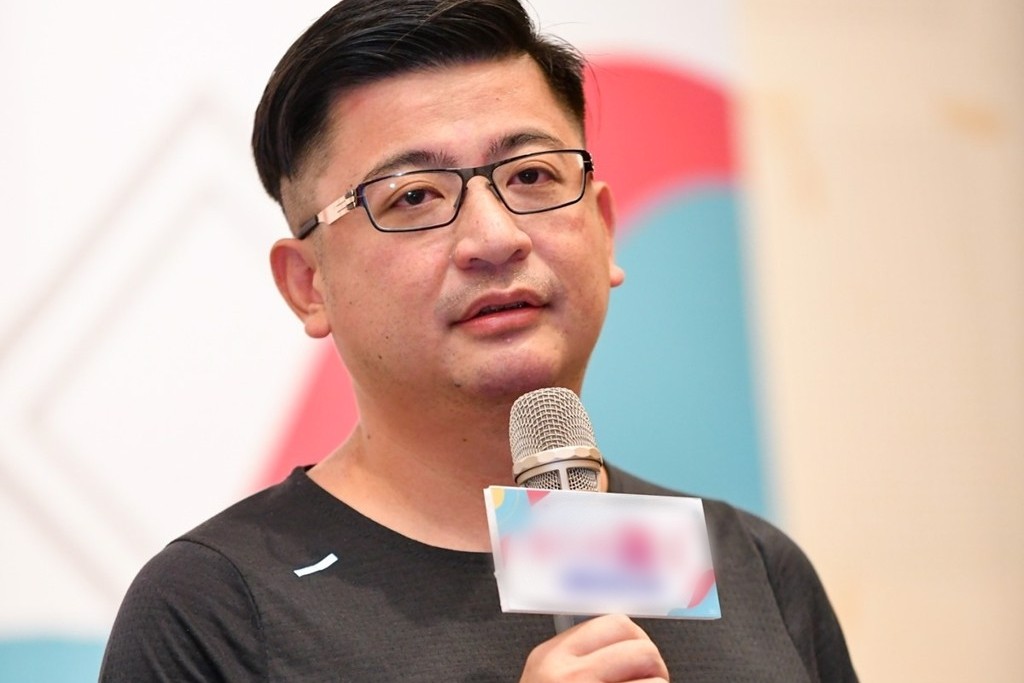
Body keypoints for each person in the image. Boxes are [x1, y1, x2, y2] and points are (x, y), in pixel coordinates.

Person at [100, 0, 858, 680]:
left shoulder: (752, 567)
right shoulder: (215, 609)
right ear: (308, 284)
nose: (495, 238)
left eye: (531, 177)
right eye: (414, 195)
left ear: (604, 228)